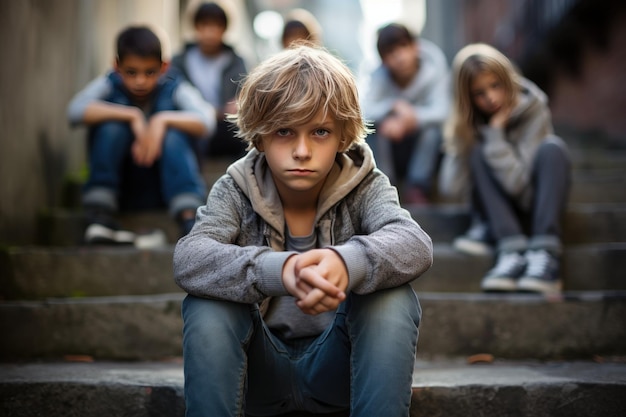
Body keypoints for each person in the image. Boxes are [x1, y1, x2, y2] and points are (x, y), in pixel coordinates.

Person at [173, 45, 433, 416]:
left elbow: (413, 244)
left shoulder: (365, 183)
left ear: (344, 137)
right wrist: (280, 270)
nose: (301, 150)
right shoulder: (236, 186)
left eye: (320, 132)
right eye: (284, 131)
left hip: (338, 372)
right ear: (259, 137)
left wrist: (347, 263)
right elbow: (190, 257)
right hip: (256, 375)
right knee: (207, 302)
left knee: (392, 297)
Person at [439, 43, 571, 294]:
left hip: (534, 205)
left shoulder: (534, 108)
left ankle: (546, 256)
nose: (491, 98)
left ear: (507, 79)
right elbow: (451, 188)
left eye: (495, 85)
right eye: (479, 93)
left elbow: (518, 184)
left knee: (553, 149)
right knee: (477, 151)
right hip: (500, 216)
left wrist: (496, 136)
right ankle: (511, 251)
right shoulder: (475, 121)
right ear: (468, 98)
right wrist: (460, 132)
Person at [67, 25, 214, 244]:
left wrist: (161, 120)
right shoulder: (109, 83)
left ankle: (189, 219)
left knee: (174, 133)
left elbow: (207, 120)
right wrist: (132, 116)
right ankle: (98, 215)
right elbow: (74, 111)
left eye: (150, 72)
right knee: (111, 126)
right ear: (116, 66)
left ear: (164, 67)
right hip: (121, 189)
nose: (140, 81)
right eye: (131, 72)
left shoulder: (174, 86)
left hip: (166, 189)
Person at [360, 23, 450, 205]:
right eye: (390, 53)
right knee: (373, 129)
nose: (399, 57)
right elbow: (364, 112)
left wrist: (411, 118)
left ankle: (417, 188)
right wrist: (393, 107)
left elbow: (443, 111)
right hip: (393, 146)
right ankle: (384, 189)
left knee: (432, 130)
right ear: (384, 61)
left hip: (426, 147)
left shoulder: (434, 68)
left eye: (403, 47)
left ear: (415, 47)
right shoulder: (379, 76)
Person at [171, 1, 248, 160]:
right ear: (196, 27)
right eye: (205, 25)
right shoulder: (180, 61)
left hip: (225, 126)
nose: (210, 32)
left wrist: (238, 103)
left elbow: (243, 93)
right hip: (192, 123)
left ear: (224, 29)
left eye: (217, 26)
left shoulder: (236, 61)